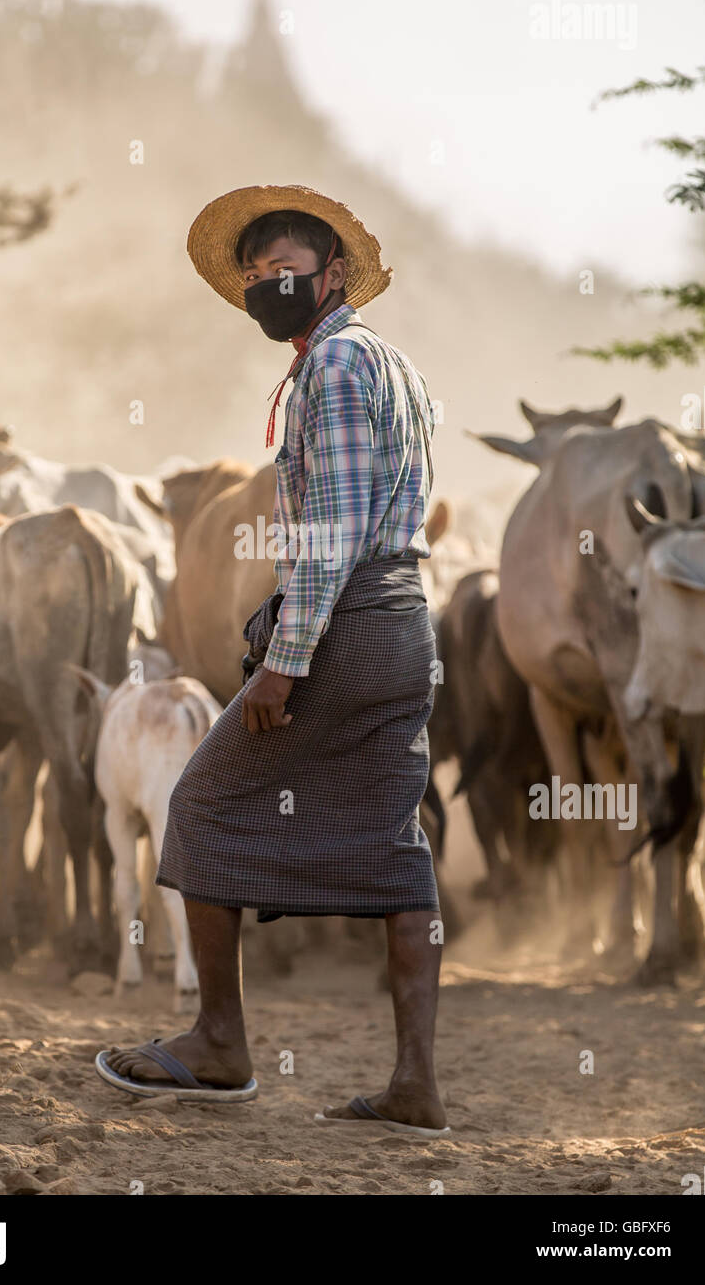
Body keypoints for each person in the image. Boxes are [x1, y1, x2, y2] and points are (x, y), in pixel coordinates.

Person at [96, 185, 449, 1138]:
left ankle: (219, 1043)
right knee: (396, 842)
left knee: (204, 804)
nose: (267, 287)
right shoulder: (391, 364)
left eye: (283, 270)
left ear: (332, 273)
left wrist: (283, 663)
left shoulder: (331, 365)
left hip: (344, 626)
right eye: (255, 277)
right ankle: (415, 1084)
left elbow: (331, 532)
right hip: (405, 622)